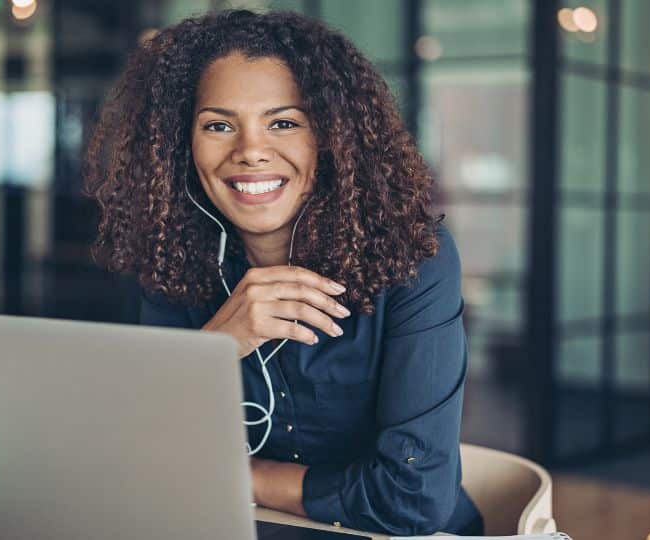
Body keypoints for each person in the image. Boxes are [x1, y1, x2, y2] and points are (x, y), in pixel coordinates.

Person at [85, 9, 483, 536]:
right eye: (219, 125)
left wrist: (239, 476)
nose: (250, 151)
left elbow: (414, 498)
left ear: (330, 137)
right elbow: (140, 458)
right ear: (183, 144)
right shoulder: (171, 259)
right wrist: (215, 350)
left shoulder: (414, 260)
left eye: (284, 122)